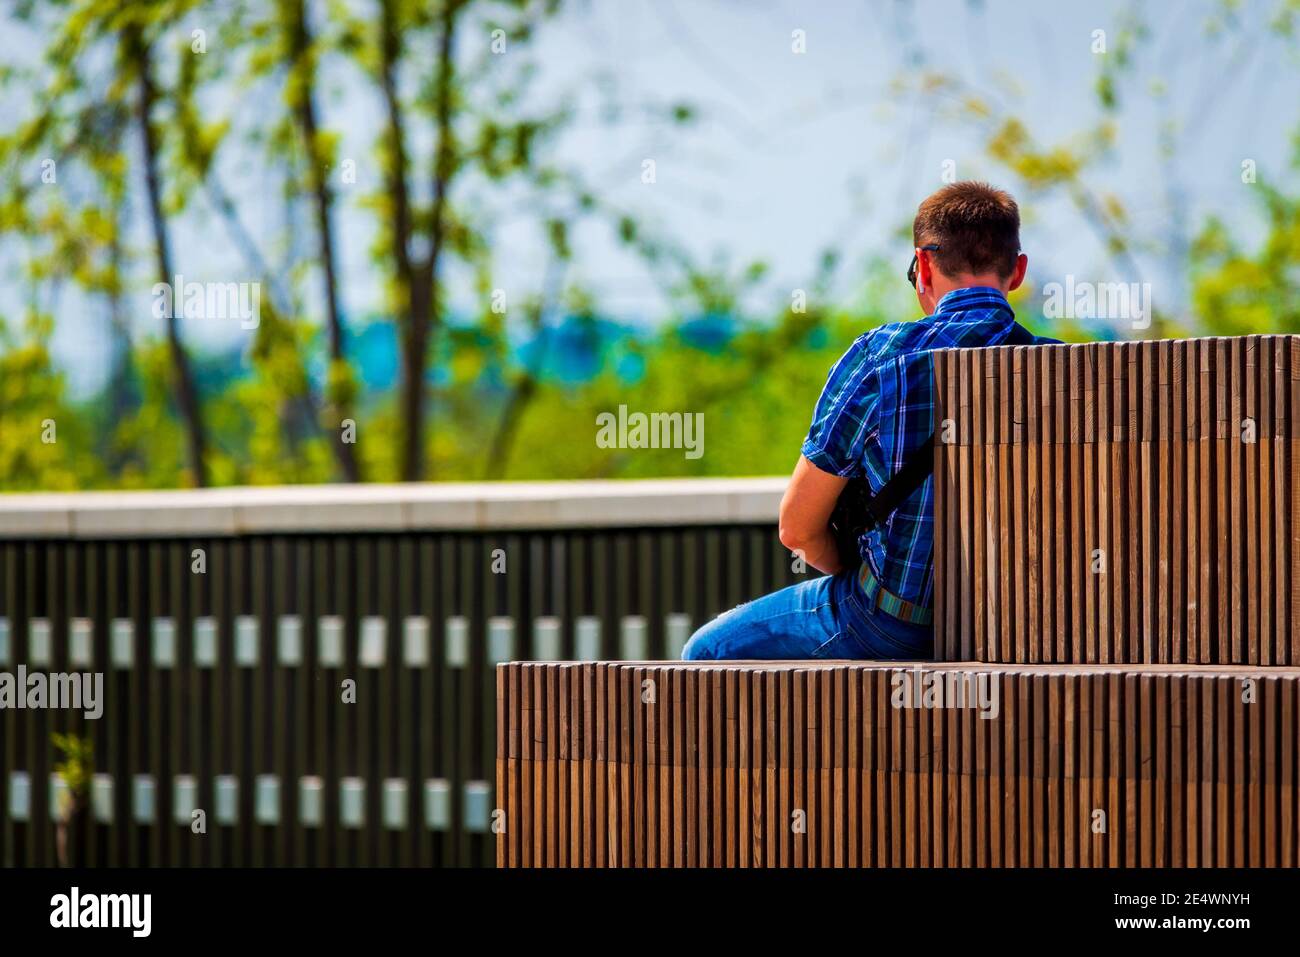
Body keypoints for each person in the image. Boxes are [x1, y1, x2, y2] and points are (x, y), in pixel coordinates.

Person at [682, 181, 1060, 661]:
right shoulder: (1062, 371)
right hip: (1020, 630)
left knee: (707, 652)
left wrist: (852, 571)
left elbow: (797, 528)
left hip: (894, 625)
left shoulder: (882, 358)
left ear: (922, 264)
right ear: (1018, 270)